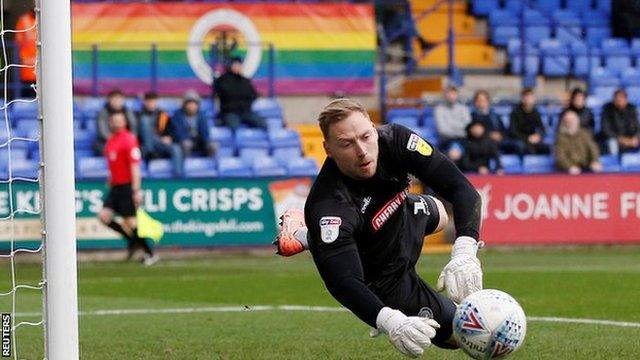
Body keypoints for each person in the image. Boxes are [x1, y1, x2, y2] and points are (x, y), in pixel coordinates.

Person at [273, 99, 483, 358]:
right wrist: (389, 320)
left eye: (365, 136)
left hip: (403, 215)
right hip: (383, 273)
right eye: (347, 144)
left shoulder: (395, 139)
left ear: (374, 128)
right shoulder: (329, 206)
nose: (362, 150)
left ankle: (307, 236)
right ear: (328, 149)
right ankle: (312, 237)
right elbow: (344, 282)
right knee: (464, 334)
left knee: (441, 214)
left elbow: (461, 189)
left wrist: (464, 251)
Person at [97, 111, 158, 266]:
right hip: (115, 186)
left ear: (125, 122)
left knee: (131, 223)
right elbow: (115, 165)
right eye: (113, 120)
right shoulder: (111, 141)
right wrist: (111, 179)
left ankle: (149, 253)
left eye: (119, 120)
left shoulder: (129, 139)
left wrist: (136, 190)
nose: (116, 123)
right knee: (104, 217)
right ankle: (133, 242)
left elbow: (134, 167)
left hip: (126, 186)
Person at [137, 91, 184, 177]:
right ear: (144, 102)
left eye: (153, 101)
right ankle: (150, 153)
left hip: (159, 142)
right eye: (149, 101)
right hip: (143, 144)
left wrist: (169, 137)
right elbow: (136, 133)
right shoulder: (138, 115)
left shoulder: (163, 114)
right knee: (145, 121)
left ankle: (179, 177)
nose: (151, 103)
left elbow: (171, 129)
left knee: (176, 148)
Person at [214, 56, 267, 130]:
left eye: (239, 65)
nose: (237, 67)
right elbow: (226, 94)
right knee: (234, 127)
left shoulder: (245, 81)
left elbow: (252, 95)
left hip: (246, 112)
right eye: (235, 65)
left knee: (263, 124)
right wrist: (241, 96)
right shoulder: (222, 80)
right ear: (230, 66)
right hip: (230, 112)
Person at [470, 90, 521, 155]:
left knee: (518, 145)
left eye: (484, 100)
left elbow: (504, 130)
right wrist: (489, 135)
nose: (481, 103)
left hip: (499, 141)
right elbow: (471, 133)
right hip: (482, 143)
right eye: (479, 100)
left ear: (488, 102)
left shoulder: (495, 116)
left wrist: (500, 135)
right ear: (475, 102)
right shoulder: (471, 117)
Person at [169, 90, 216, 157]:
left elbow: (205, 133)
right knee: (186, 144)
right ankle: (186, 164)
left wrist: (205, 141)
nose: (191, 106)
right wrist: (191, 138)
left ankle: (209, 165)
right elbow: (179, 134)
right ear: (184, 105)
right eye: (189, 103)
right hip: (184, 142)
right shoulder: (178, 115)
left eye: (194, 103)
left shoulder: (201, 115)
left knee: (213, 145)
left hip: (199, 142)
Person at [555, 110, 602, 175]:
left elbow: (593, 149)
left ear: (577, 121)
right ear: (564, 122)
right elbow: (560, 156)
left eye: (572, 120)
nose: (570, 122)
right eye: (568, 120)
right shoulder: (560, 137)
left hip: (585, 166)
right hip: (567, 170)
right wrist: (569, 167)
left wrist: (594, 161)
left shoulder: (584, 134)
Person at [94, 89, 138, 155]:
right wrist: (116, 142)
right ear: (109, 100)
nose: (117, 102)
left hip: (125, 141)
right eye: (114, 99)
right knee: (100, 146)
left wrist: (126, 140)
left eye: (119, 99)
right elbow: (103, 132)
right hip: (108, 142)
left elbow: (133, 128)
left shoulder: (128, 112)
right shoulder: (103, 113)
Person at [508, 88, 550, 155]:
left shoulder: (536, 113)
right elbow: (513, 132)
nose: (528, 99)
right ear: (522, 99)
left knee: (547, 148)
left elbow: (542, 129)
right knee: (524, 148)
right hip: (520, 140)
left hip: (532, 140)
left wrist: (538, 136)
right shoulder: (515, 112)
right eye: (526, 97)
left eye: (530, 97)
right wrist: (527, 138)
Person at [599, 89, 640, 155]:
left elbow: (637, 127)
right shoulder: (607, 110)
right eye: (616, 98)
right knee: (612, 143)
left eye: (621, 98)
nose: (619, 101)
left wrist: (635, 138)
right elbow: (606, 130)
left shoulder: (632, 109)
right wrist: (620, 139)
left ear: (626, 100)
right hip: (615, 138)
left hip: (629, 139)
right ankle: (614, 162)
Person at [15, 8, 36, 97]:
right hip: (28, 68)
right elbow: (17, 42)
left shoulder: (48, 19)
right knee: (28, 99)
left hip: (43, 69)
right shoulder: (24, 20)